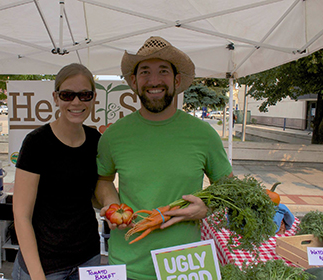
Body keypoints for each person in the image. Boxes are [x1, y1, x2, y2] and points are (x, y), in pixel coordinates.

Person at [95, 36, 233, 279]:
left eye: (163, 71)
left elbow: (229, 189)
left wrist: (207, 207)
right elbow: (104, 179)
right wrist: (111, 205)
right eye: (145, 72)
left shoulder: (203, 135)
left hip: (184, 266)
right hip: (127, 266)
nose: (154, 80)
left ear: (177, 80)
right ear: (135, 82)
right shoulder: (114, 136)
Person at [12, 63, 101, 280]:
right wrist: (37, 276)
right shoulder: (37, 143)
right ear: (55, 97)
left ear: (93, 98)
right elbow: (21, 216)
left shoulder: (96, 141)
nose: (76, 102)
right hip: (45, 265)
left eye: (84, 95)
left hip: (88, 259)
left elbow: (93, 197)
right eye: (67, 95)